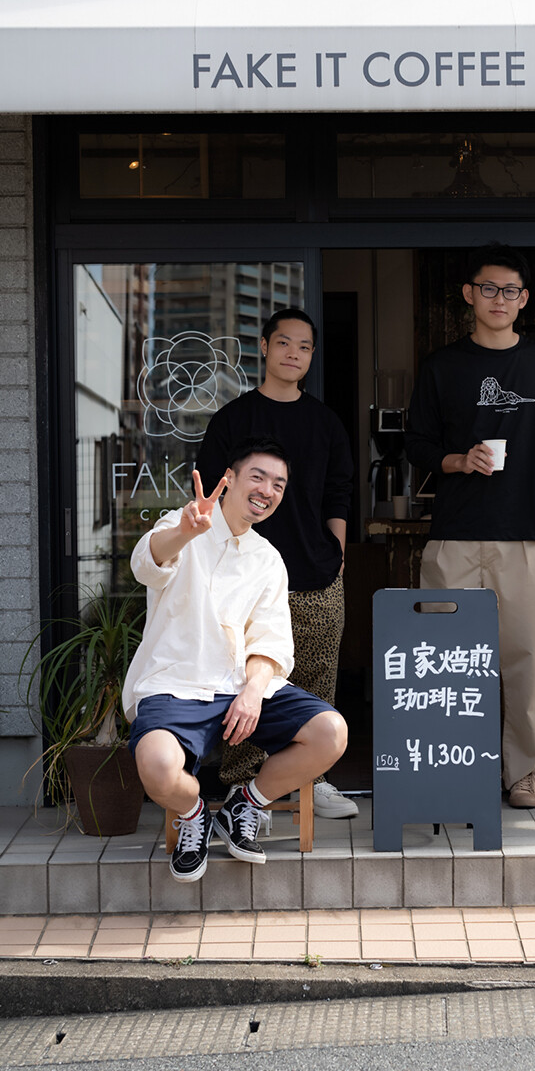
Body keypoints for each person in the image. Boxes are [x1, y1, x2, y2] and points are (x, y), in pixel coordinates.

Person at [124, 438, 348, 883]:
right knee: (157, 765)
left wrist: (253, 692)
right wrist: (186, 531)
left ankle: (244, 804)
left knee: (331, 732)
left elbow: (271, 641)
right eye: (258, 477)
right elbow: (145, 565)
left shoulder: (268, 559)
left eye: (278, 484)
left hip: (240, 684)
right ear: (229, 480)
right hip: (178, 682)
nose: (267, 490)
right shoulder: (184, 524)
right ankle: (194, 815)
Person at [405, 243, 535, 809]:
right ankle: (451, 769)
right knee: (445, 661)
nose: (498, 299)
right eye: (488, 289)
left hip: (526, 536)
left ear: (523, 299)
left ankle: (522, 772)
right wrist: (459, 460)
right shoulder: (442, 366)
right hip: (453, 538)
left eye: (509, 291)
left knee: (525, 660)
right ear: (469, 295)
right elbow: (416, 444)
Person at [195, 308, 357, 820]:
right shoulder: (234, 419)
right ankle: (243, 787)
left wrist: (337, 550)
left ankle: (314, 778)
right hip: (243, 577)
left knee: (315, 680)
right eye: (284, 342)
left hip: (315, 572)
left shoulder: (325, 422)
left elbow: (340, 491)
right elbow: (210, 493)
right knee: (246, 682)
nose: (294, 353)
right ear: (264, 347)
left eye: (304, 347)